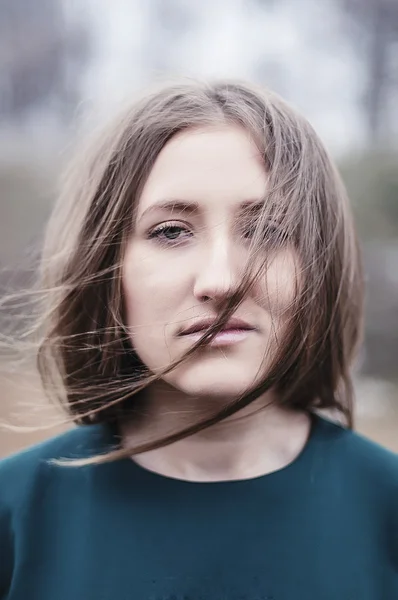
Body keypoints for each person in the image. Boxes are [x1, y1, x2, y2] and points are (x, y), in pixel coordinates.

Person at [0, 80, 397, 600]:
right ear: (106, 268)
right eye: (170, 231)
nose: (221, 280)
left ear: (318, 264)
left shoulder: (386, 507)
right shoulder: (16, 512)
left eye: (268, 230)